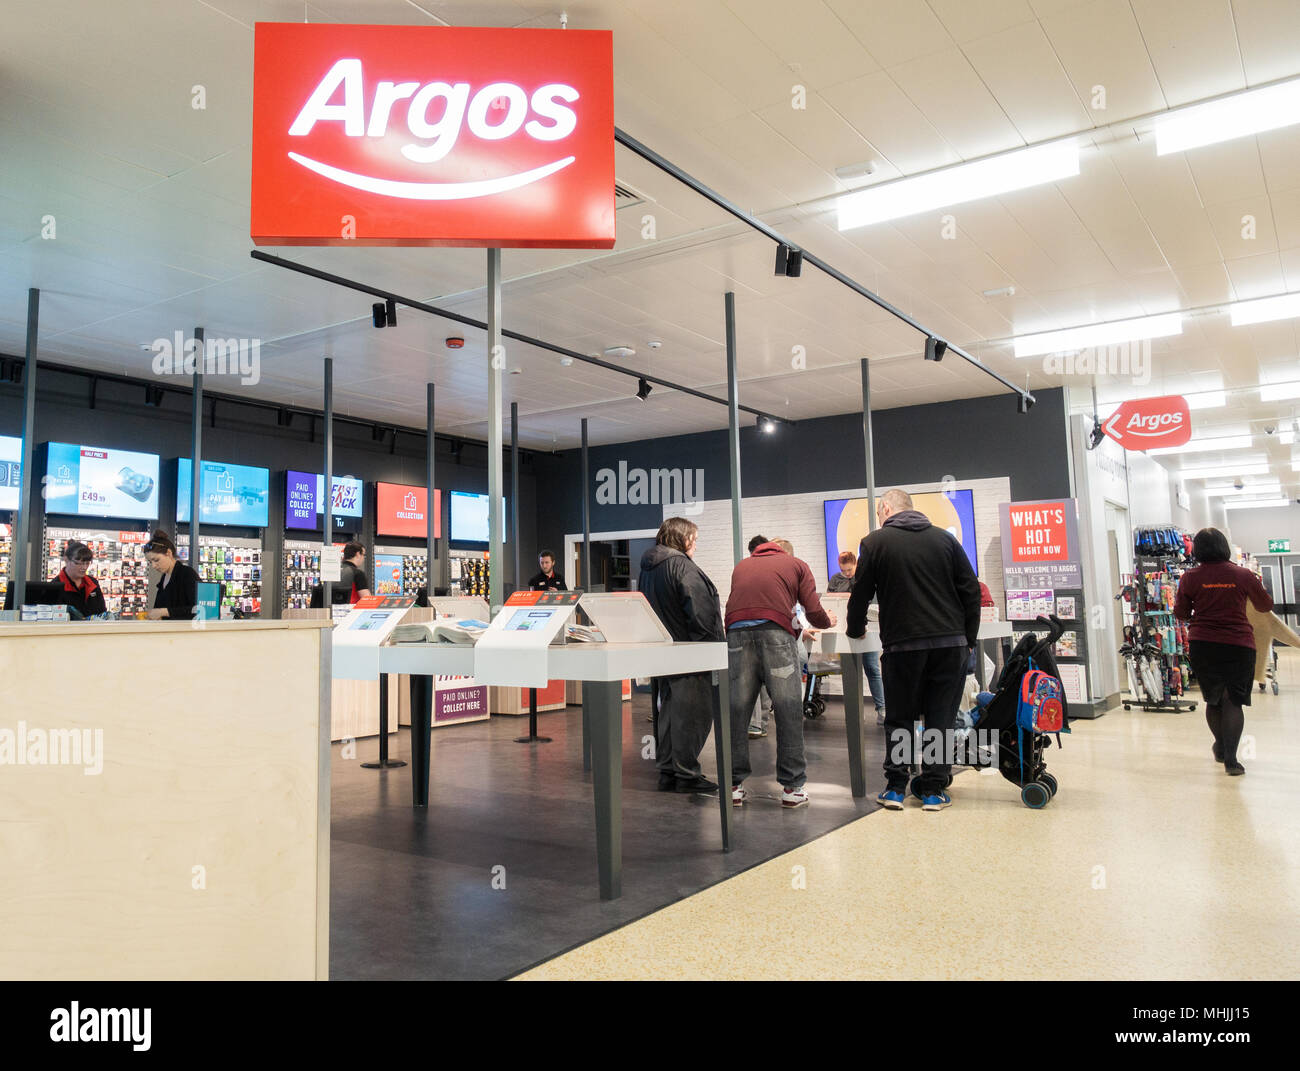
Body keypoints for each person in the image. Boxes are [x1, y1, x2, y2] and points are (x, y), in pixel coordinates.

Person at [846, 489, 981, 813]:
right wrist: (969, 638)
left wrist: (856, 631)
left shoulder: (875, 543)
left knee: (900, 717)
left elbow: (860, 595)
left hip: (902, 646)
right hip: (950, 645)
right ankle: (933, 791)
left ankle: (895, 789)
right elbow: (971, 591)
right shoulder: (945, 541)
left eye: (879, 513)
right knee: (940, 718)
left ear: (886, 508)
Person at [726, 537, 834, 808]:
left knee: (737, 711)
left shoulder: (742, 566)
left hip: (736, 636)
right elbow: (812, 608)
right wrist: (827, 621)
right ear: (787, 553)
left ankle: (733, 787)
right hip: (776, 636)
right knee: (788, 710)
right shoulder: (796, 564)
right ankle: (792, 787)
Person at [1173, 527, 1273, 776]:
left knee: (1214, 698)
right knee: (1233, 700)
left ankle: (1220, 746)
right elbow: (1265, 605)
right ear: (1224, 547)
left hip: (1203, 644)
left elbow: (1182, 613)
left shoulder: (1190, 578)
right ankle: (1231, 758)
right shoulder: (1243, 575)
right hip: (1239, 643)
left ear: (1197, 549)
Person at [637, 517, 724, 795]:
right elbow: (700, 611)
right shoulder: (681, 565)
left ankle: (668, 771)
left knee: (669, 714)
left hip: (665, 653)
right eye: (694, 539)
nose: (695, 545)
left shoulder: (649, 567)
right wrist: (711, 648)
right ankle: (686, 774)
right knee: (693, 714)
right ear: (683, 538)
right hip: (692, 653)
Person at [828, 549, 886, 725]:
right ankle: (855, 712)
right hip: (844, 631)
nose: (846, 574)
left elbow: (872, 605)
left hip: (865, 630)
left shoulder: (863, 579)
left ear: (855, 565)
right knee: (851, 672)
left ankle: (882, 709)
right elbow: (830, 602)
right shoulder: (835, 580)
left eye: (849, 570)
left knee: (872, 668)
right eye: (843, 570)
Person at [746, 534, 776, 739]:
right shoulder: (776, 568)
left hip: (755, 629)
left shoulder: (748, 569)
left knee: (757, 677)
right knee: (764, 678)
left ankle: (758, 723)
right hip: (772, 629)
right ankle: (760, 723)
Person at [144, 530, 200, 621]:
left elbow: (199, 609)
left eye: (156, 560)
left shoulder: (187, 574)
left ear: (169, 553)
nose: (153, 566)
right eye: (151, 562)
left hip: (184, 632)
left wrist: (164, 612)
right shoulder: (164, 577)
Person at [54, 540, 107, 618]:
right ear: (66, 560)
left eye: (87, 563)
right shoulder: (55, 587)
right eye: (78, 563)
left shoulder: (93, 583)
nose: (84, 567)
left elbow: (102, 612)